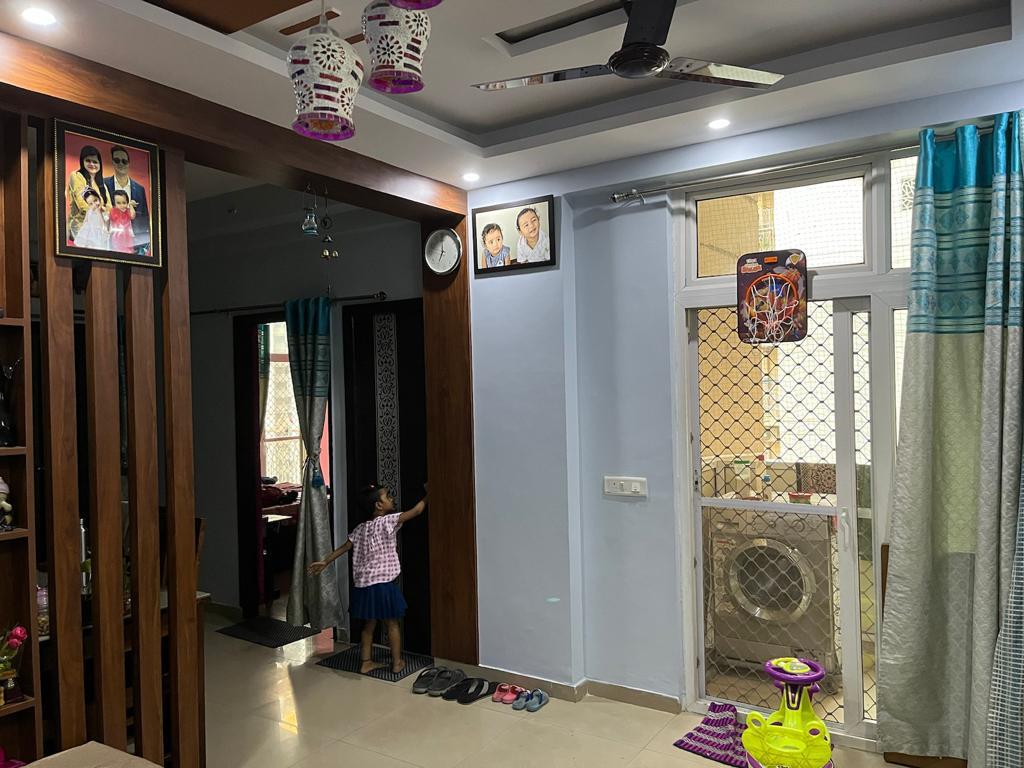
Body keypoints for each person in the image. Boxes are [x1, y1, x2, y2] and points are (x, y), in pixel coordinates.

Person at [308, 483, 427, 674]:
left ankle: (366, 662)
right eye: (388, 496)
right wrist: (429, 495)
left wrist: (325, 562)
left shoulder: (360, 529)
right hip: (383, 585)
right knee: (392, 624)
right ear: (379, 505)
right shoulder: (388, 521)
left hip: (364, 587)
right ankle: (397, 663)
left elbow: (344, 547)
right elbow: (417, 511)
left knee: (368, 625)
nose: (391, 498)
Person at [103, 145, 150, 257]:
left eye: (124, 161)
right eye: (117, 160)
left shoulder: (139, 189)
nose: (121, 164)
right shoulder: (104, 184)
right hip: (108, 243)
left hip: (133, 245)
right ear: (112, 162)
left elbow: (144, 219)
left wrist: (144, 246)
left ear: (128, 163)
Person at [67, 145, 111, 243]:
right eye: (88, 161)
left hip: (99, 233)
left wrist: (105, 213)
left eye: (95, 162)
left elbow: (109, 208)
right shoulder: (76, 176)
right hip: (80, 231)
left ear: (100, 164)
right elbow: (83, 205)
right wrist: (101, 212)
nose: (92, 164)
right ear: (82, 162)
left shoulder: (102, 184)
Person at [108, 190, 136, 254]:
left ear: (127, 202)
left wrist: (131, 206)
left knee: (129, 251)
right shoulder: (113, 211)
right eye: (118, 203)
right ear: (114, 203)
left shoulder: (128, 211)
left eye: (124, 203)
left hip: (127, 236)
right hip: (117, 236)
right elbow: (109, 220)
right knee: (117, 251)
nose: (122, 205)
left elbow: (133, 216)